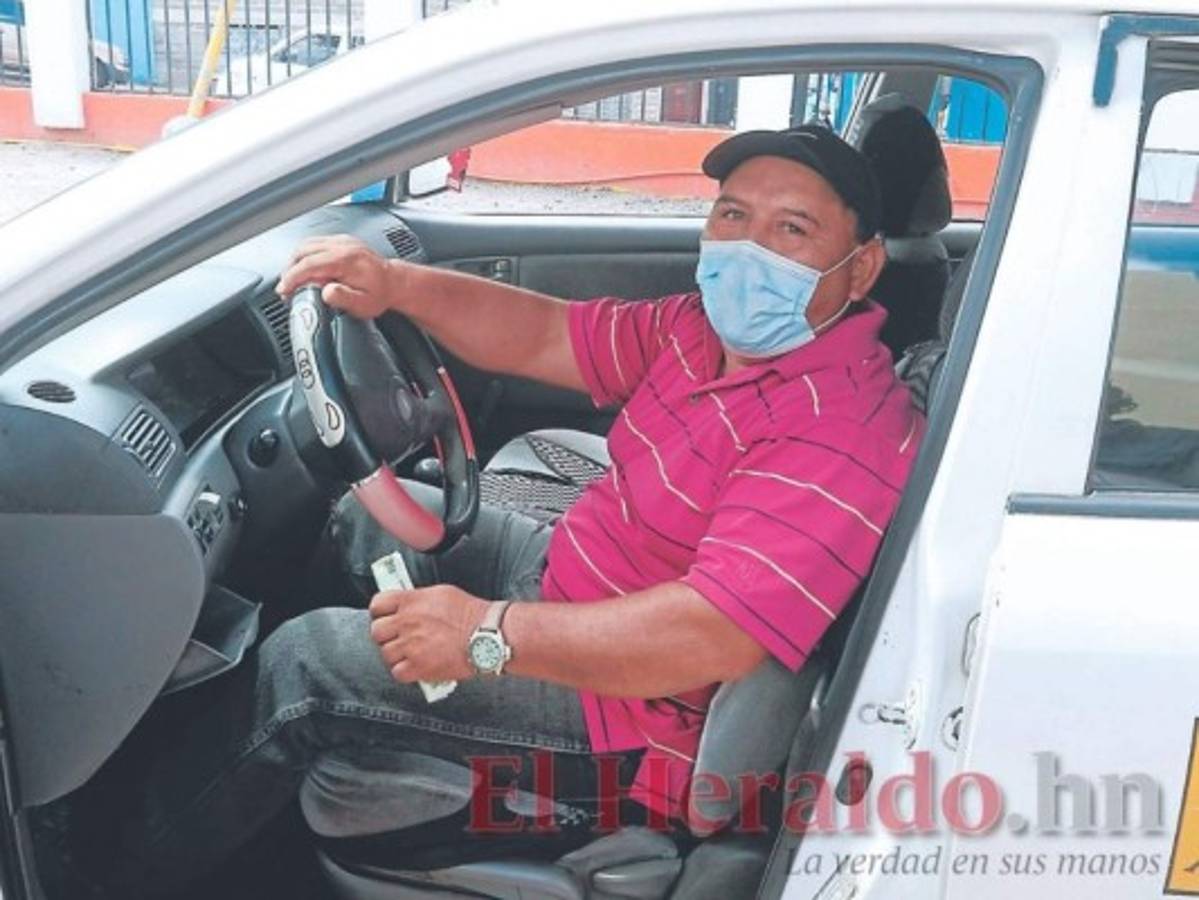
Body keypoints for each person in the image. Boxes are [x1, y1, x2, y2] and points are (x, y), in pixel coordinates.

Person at [72, 124, 924, 896]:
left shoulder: (838, 428)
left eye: (791, 230)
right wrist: (396, 284)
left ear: (861, 267)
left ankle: (111, 871)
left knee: (309, 665)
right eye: (732, 216)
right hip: (568, 584)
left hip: (635, 727)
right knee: (368, 520)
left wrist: (485, 636)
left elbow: (710, 636)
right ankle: (252, 761)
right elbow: (546, 337)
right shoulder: (703, 334)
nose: (747, 250)